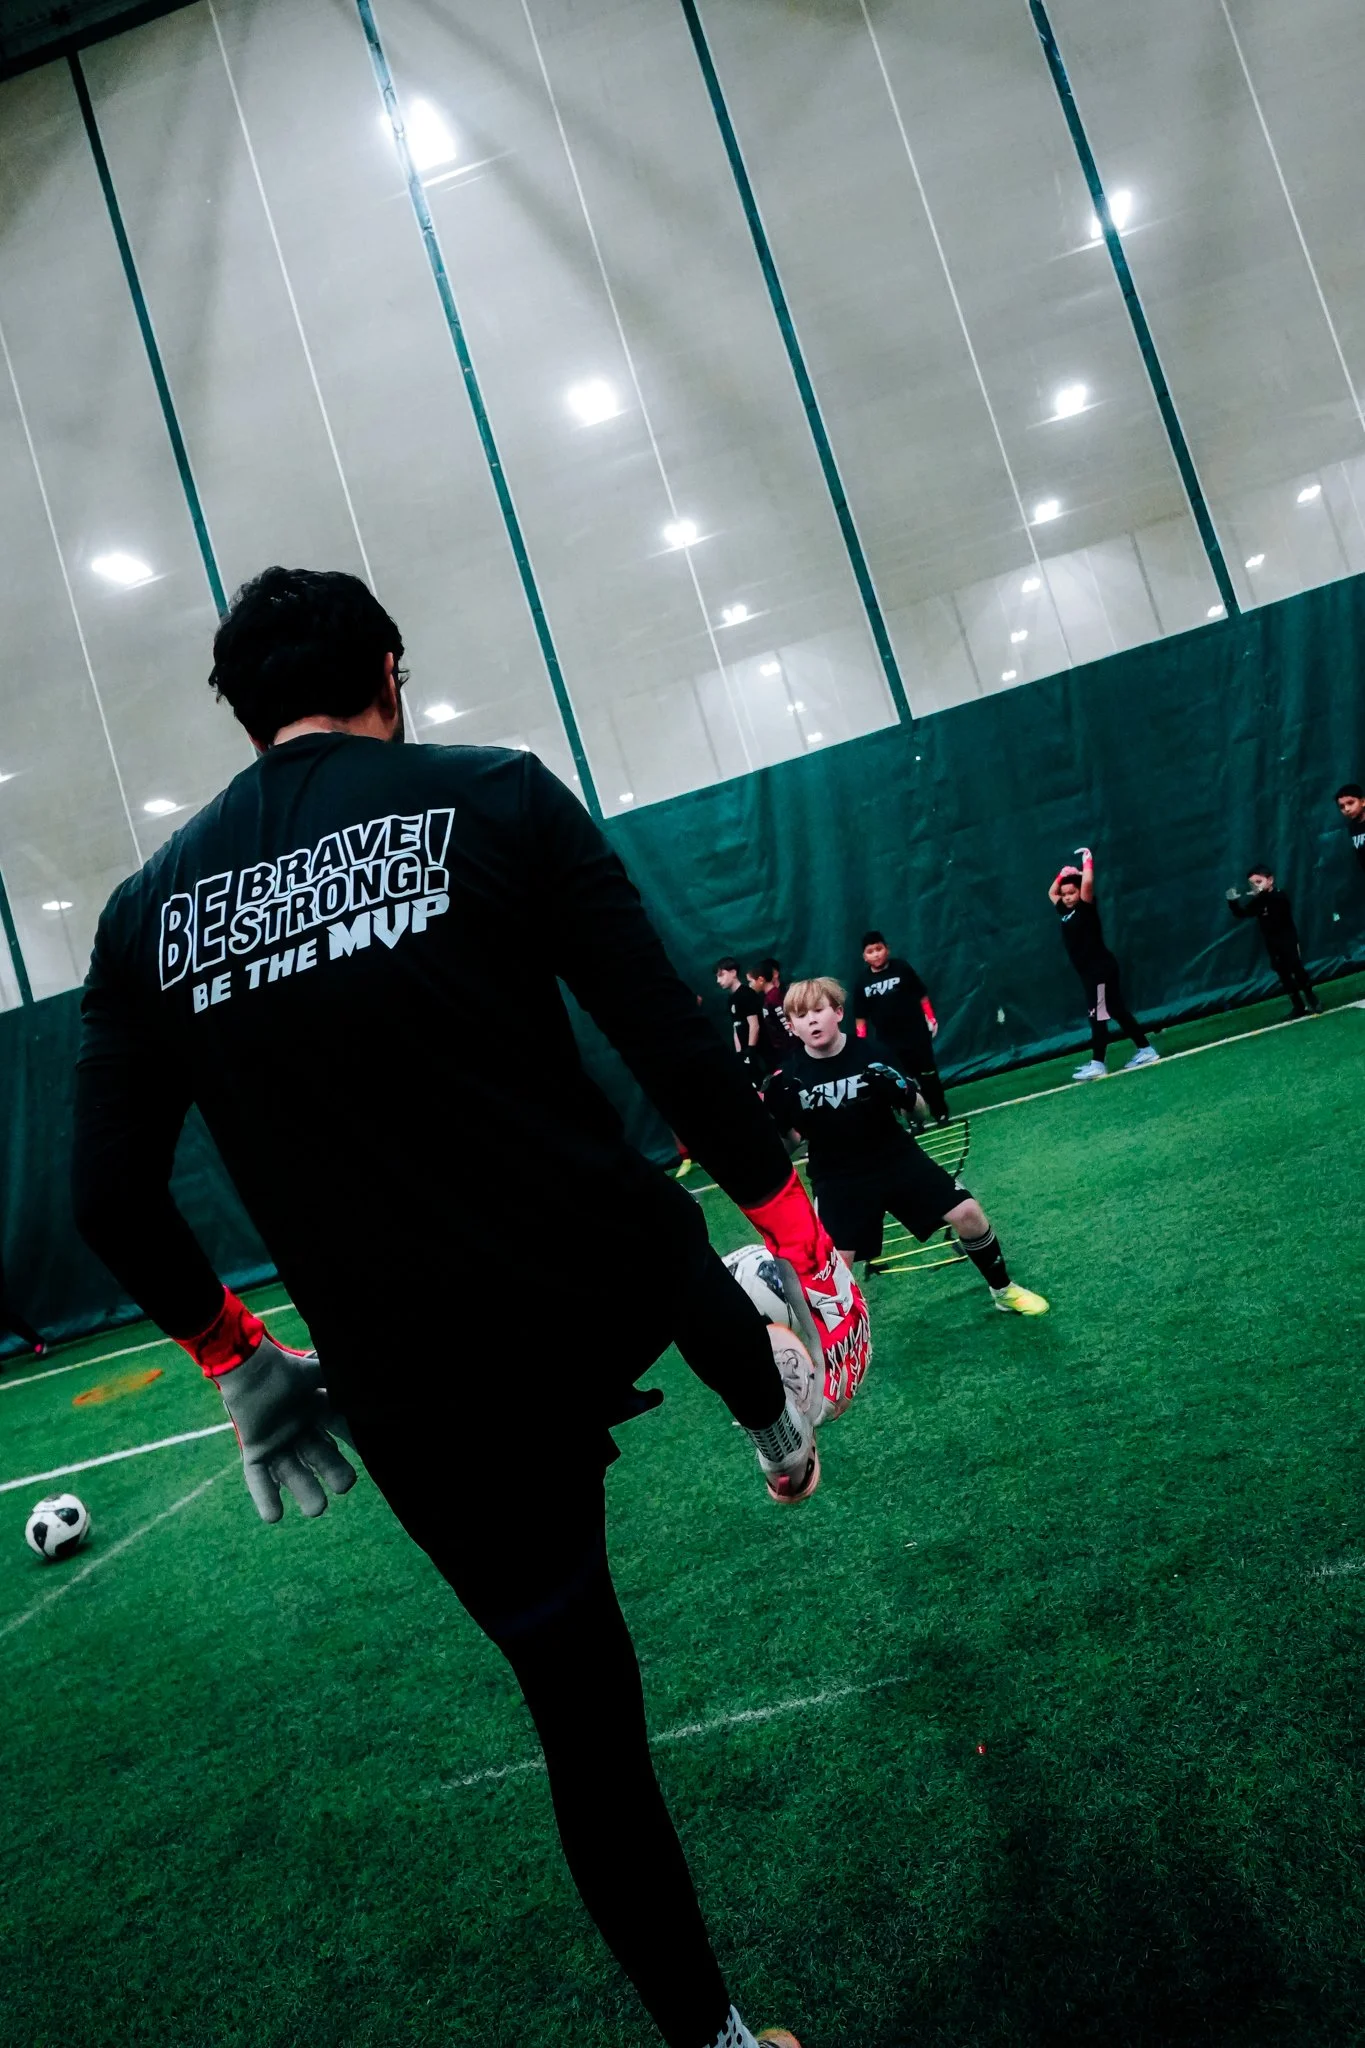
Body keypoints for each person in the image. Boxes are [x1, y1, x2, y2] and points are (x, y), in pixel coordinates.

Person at [70, 566, 868, 2048]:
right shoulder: (494, 793)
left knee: (585, 1718)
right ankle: (770, 1404)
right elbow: (666, 1034)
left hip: (418, 1376)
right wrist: (802, 1230)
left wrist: (239, 1360)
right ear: (390, 668)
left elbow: (109, 1202)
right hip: (600, 1270)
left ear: (243, 714)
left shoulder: (141, 915)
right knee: (660, 1224)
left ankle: (716, 2039)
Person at [765, 977, 1048, 1316]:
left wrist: (903, 1091)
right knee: (835, 1268)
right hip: (837, 1176)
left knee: (968, 1213)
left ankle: (1003, 1290)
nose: (810, 1020)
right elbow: (790, 1146)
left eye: (818, 1010)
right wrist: (774, 1125)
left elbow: (920, 1112)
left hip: (895, 1157)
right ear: (792, 1026)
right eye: (800, 1015)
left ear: (838, 1012)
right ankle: (835, 1341)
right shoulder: (788, 1078)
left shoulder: (873, 1053)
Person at [1048, 849, 1159, 1081]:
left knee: (1097, 1015)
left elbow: (1087, 883)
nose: (1067, 897)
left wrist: (1086, 862)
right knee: (1116, 1010)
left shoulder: (1085, 907)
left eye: (1072, 892)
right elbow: (1051, 892)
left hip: (1099, 971)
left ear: (1080, 892)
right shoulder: (1064, 911)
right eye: (1065, 894)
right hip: (1091, 972)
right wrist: (1062, 875)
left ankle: (1098, 1064)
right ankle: (1146, 1050)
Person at [854, 931, 950, 1122]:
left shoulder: (901, 968)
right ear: (864, 957)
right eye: (870, 951)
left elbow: (921, 994)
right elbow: (860, 1017)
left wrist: (930, 1018)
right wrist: (862, 1043)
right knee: (901, 1081)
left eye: (879, 949)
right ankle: (914, 1119)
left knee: (928, 1075)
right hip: (889, 1041)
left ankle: (940, 1111)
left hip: (916, 1034)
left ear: (887, 949)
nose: (876, 954)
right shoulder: (862, 982)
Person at [1226, 867, 1320, 1016]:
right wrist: (1232, 902)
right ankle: (1298, 1006)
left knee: (1298, 970)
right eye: (1252, 883)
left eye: (1258, 882)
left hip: (1288, 941)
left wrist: (1260, 896)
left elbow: (1278, 915)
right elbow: (1243, 913)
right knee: (1284, 975)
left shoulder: (1279, 896)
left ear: (1270, 880)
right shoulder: (1258, 901)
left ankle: (1312, 999)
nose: (1255, 886)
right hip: (1273, 944)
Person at [715, 957, 764, 1083]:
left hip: (759, 1053)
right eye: (717, 977)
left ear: (733, 972)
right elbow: (735, 1027)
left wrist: (750, 1050)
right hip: (745, 1052)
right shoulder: (731, 999)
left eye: (721, 975)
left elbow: (754, 1025)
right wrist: (740, 1053)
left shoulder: (747, 994)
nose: (718, 980)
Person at [747, 958, 792, 1078]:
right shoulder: (768, 998)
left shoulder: (774, 997)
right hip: (781, 1049)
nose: (750, 985)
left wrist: (790, 1044)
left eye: (751, 981)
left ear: (761, 980)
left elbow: (785, 1023)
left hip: (788, 1049)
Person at [1335, 784, 1365, 875]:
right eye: (1342, 807)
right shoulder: (1351, 828)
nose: (1347, 809)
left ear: (1363, 801)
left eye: (1350, 803)